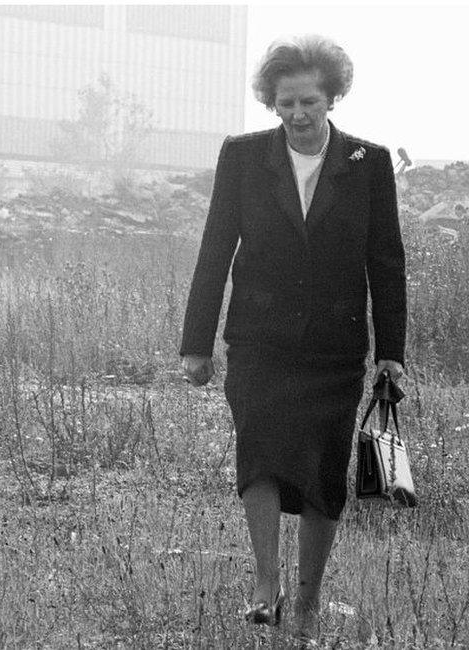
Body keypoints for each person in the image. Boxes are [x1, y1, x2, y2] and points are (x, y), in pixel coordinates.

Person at [179, 34, 406, 641]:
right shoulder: (244, 156)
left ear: (332, 97)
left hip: (334, 345)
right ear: (271, 102)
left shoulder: (369, 163)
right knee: (259, 449)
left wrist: (391, 351)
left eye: (309, 101)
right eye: (285, 103)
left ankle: (308, 602)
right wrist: (196, 342)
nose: (298, 114)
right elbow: (215, 248)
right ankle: (265, 585)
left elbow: (386, 261)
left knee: (324, 467)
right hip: (258, 337)